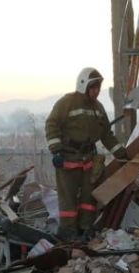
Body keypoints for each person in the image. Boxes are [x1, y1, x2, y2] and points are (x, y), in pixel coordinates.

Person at [45, 67, 129, 240]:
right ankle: (68, 231)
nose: (96, 91)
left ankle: (85, 229)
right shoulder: (67, 102)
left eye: (98, 87)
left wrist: (121, 153)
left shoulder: (98, 108)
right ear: (83, 85)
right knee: (68, 199)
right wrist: (56, 151)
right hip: (68, 159)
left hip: (88, 161)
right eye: (93, 87)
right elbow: (52, 124)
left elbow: (106, 135)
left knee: (88, 199)